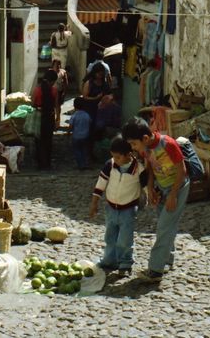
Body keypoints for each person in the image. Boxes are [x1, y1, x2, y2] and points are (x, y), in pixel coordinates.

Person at [122, 116, 190, 282]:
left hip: (178, 188)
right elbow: (150, 166)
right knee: (166, 224)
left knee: (163, 227)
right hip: (162, 187)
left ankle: (155, 270)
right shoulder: (145, 148)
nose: (133, 148)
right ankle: (167, 260)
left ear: (145, 138)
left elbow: (182, 170)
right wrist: (150, 188)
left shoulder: (168, 144)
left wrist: (173, 195)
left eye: (133, 144)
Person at [89, 135, 146, 277]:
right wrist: (94, 203)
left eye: (119, 157)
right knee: (110, 236)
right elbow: (101, 184)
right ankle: (109, 260)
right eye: (114, 157)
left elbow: (146, 187)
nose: (116, 160)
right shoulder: (110, 165)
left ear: (129, 154)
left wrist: (152, 198)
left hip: (128, 210)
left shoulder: (138, 169)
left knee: (125, 239)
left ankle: (125, 263)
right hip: (111, 208)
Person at [82, 65, 113, 158]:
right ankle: (89, 151)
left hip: (102, 110)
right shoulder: (89, 83)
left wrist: (108, 98)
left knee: (100, 131)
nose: (100, 75)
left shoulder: (104, 83)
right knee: (90, 130)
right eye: (98, 73)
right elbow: (84, 96)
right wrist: (95, 98)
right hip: (90, 108)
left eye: (101, 74)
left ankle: (97, 151)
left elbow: (110, 93)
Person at [32, 69, 58, 169]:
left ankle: (40, 162)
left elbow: (33, 103)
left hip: (39, 116)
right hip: (49, 117)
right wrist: (57, 119)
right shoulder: (54, 91)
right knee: (48, 141)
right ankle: (47, 162)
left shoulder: (37, 89)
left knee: (39, 141)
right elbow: (56, 106)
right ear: (52, 81)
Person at [69, 96, 91, 170]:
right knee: (84, 150)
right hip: (85, 135)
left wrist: (69, 132)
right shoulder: (86, 115)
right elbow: (90, 122)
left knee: (77, 150)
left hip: (76, 136)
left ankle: (80, 164)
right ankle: (85, 163)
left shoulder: (74, 115)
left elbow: (71, 125)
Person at [52, 58, 68, 128]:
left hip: (59, 91)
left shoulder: (63, 72)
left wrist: (64, 92)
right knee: (52, 107)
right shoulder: (50, 72)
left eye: (59, 64)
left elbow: (65, 83)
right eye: (56, 64)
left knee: (58, 106)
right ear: (53, 65)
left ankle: (57, 121)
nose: (58, 66)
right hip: (51, 92)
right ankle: (52, 122)